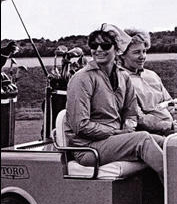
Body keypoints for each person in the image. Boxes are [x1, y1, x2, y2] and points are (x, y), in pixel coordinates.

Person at [65, 23, 165, 182]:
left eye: (105, 45)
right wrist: (115, 133)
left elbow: (131, 112)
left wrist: (128, 127)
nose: (98, 49)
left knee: (166, 143)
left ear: (117, 49)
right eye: (93, 45)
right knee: (143, 139)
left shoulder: (123, 77)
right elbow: (80, 125)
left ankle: (161, 200)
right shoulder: (82, 78)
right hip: (88, 147)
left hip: (114, 141)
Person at [118, 28, 177, 135]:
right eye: (136, 52)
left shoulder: (152, 75)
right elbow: (138, 117)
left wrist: (173, 125)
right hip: (149, 134)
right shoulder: (121, 80)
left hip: (169, 128)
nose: (142, 56)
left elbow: (169, 104)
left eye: (144, 51)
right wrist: (169, 127)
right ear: (122, 54)